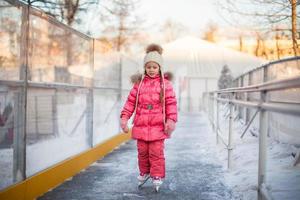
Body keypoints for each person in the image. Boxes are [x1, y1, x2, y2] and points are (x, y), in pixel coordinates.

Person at [120, 44, 178, 192]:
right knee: (142, 152)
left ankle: (157, 175)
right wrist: (124, 118)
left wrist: (171, 120)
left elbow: (171, 103)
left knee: (156, 152)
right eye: (149, 67)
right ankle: (144, 171)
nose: (151, 69)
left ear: (160, 68)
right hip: (141, 125)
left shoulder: (165, 85)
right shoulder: (139, 85)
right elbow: (130, 102)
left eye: (154, 67)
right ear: (145, 67)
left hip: (158, 126)